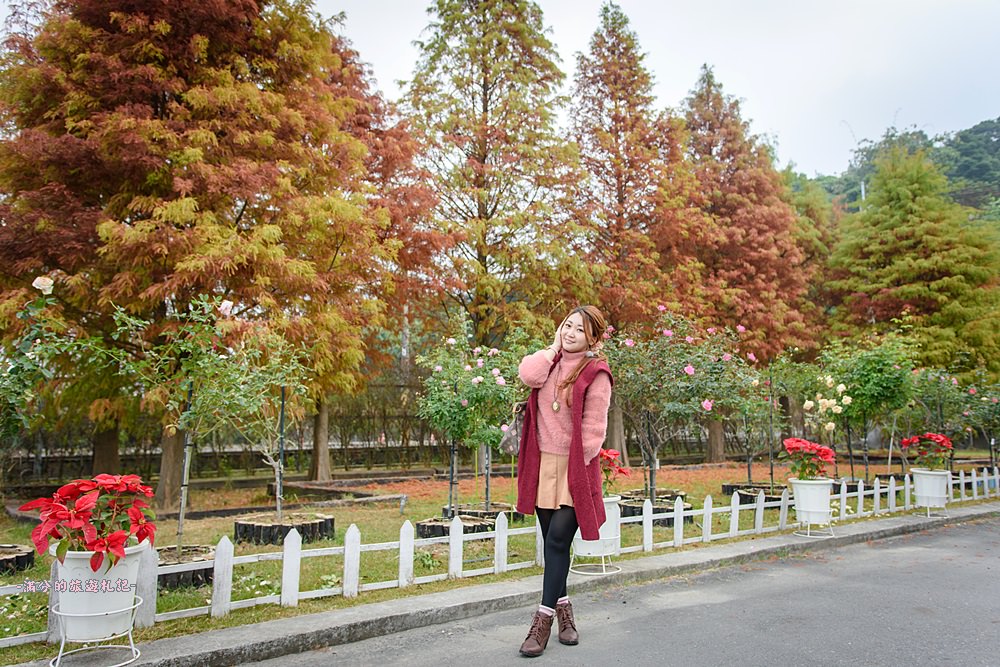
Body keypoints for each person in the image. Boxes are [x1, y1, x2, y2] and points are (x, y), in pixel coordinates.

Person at [514, 305, 614, 658]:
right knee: (552, 545)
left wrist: (577, 465)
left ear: (593, 338)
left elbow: (594, 429)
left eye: (579, 330)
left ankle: (541, 624)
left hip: (575, 468)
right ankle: (566, 615)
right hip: (542, 464)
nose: (571, 332)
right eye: (567, 325)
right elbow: (528, 375)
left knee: (558, 539)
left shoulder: (596, 372)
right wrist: (553, 348)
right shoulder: (550, 362)